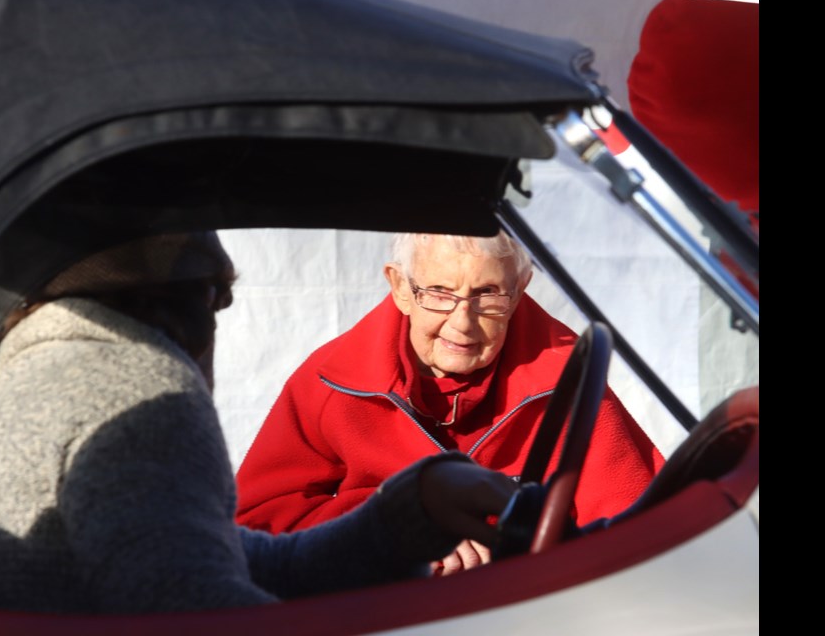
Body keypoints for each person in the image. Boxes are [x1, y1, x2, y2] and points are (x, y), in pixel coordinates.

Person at [0, 231, 520, 614]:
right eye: (218, 300)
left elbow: (244, 560)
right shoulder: (131, 388)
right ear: (194, 303)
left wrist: (408, 514)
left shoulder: (54, 374)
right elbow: (201, 614)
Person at [235, 230, 665, 574]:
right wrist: (400, 523)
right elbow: (257, 526)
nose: (463, 322)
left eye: (488, 293)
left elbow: (639, 527)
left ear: (518, 290)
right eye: (440, 291)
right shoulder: (334, 381)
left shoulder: (566, 380)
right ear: (400, 286)